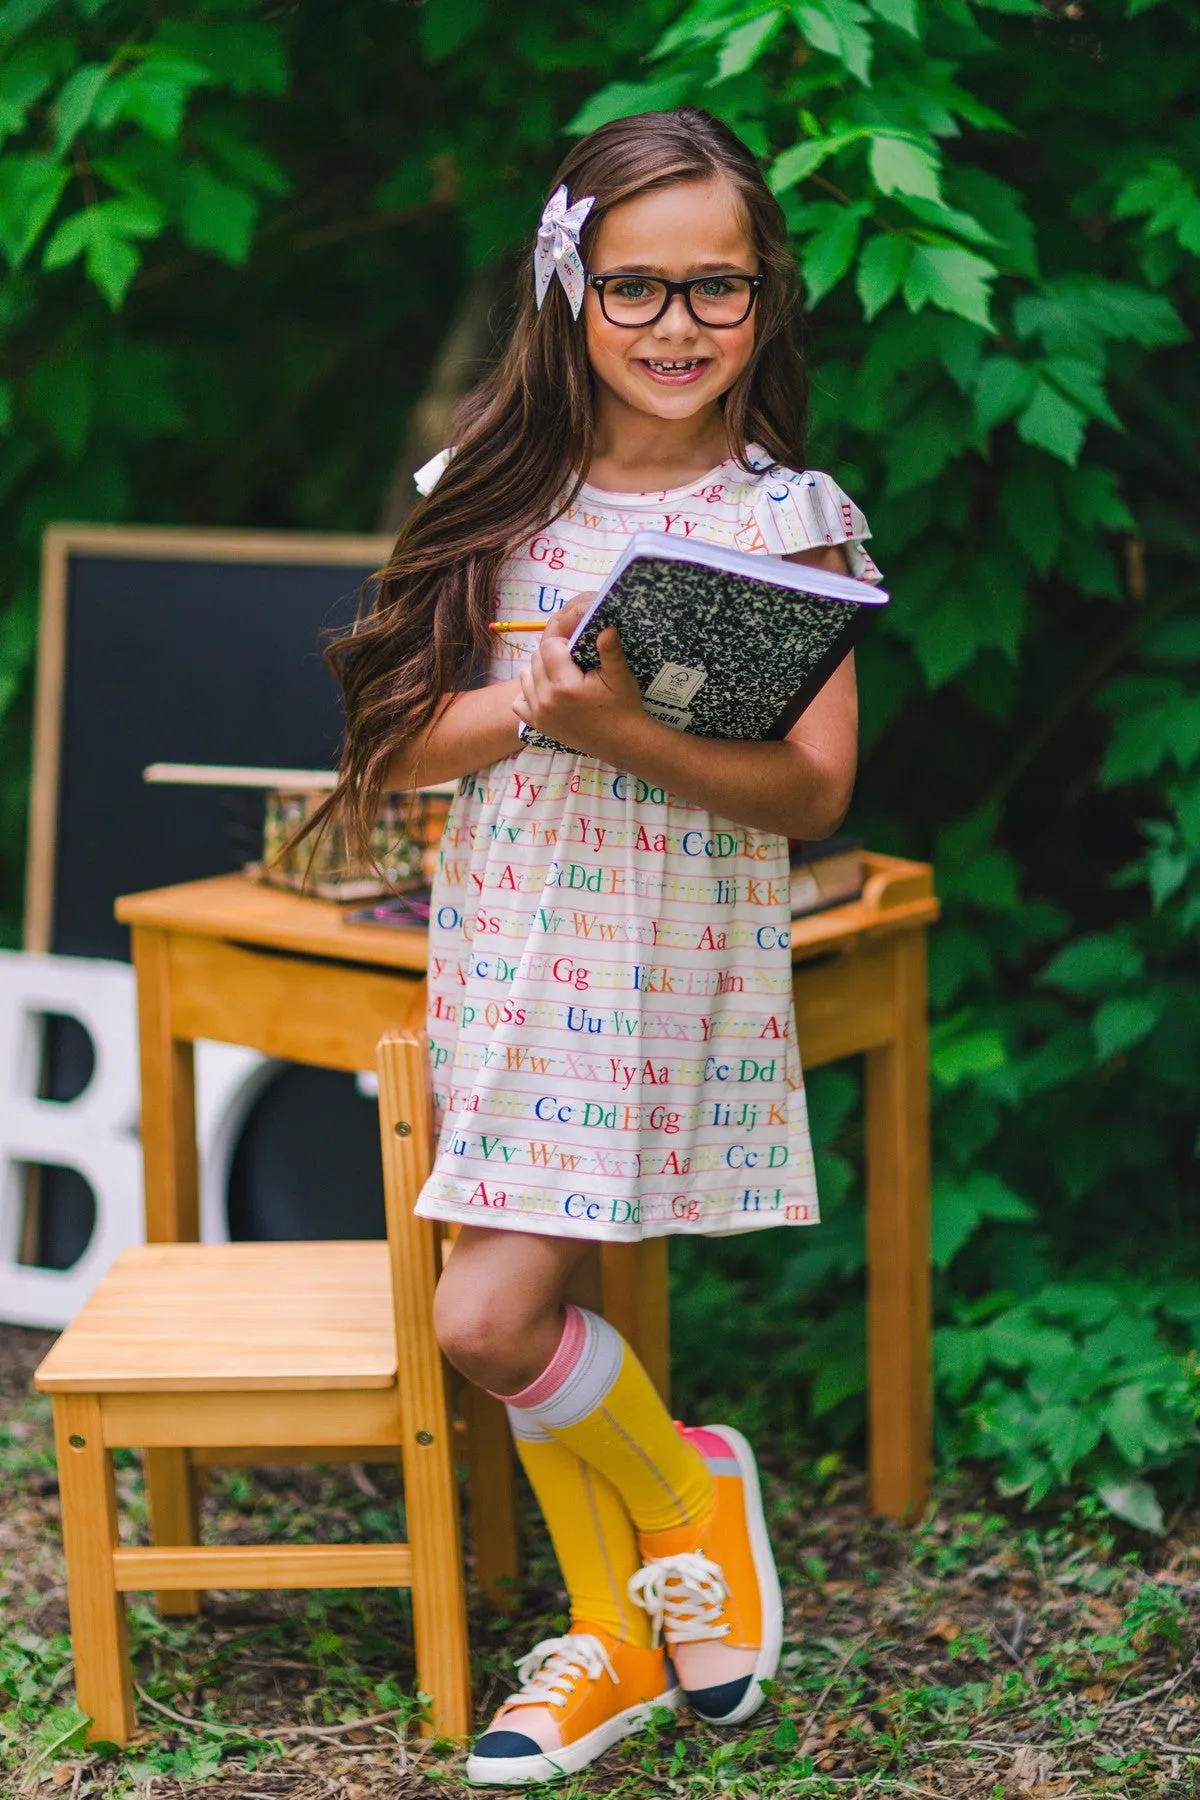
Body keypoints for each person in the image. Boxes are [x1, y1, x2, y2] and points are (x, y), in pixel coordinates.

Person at [322, 106, 881, 1786]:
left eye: (717, 286)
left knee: (487, 1317)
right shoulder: (488, 494)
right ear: (572, 290)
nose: (676, 327)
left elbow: (814, 790)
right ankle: (663, 1540)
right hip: (510, 947)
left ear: (765, 299)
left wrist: (621, 727)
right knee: (488, 1316)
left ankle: (623, 1604)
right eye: (637, 289)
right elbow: (394, 741)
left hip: (664, 965)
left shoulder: (790, 519)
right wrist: (541, 709)